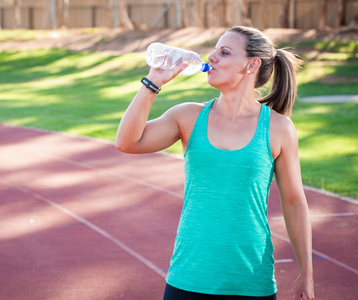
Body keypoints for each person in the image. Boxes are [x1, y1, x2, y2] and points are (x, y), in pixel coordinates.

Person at [115, 26, 314, 300]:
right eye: (215, 50)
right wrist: (153, 83)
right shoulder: (187, 116)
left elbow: (294, 202)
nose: (212, 57)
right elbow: (127, 142)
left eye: (224, 52)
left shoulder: (278, 128)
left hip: (250, 281)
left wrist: (307, 272)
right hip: (189, 277)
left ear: (251, 65)